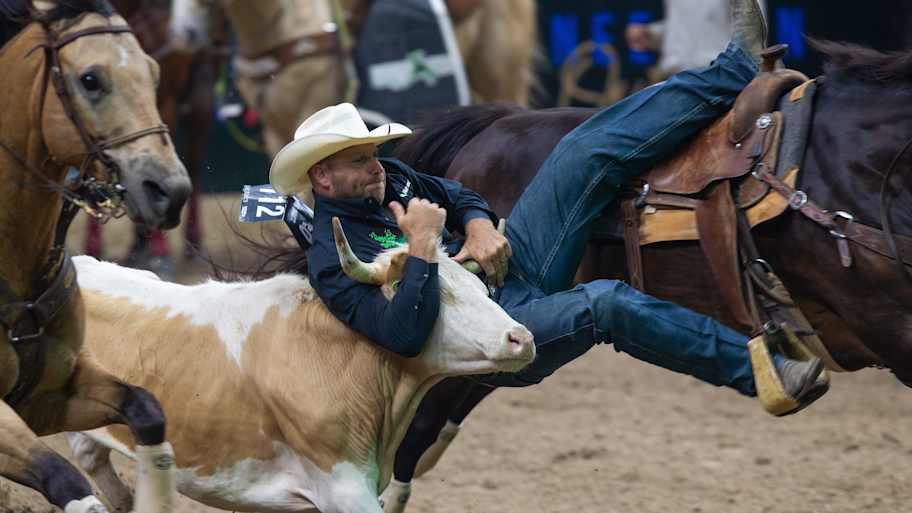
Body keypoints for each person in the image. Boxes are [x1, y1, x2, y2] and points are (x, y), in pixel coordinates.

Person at [268, 0, 828, 416]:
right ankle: (765, 372)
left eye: (373, 152)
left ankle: (733, 70)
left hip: (507, 273)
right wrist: (419, 250)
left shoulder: (390, 181)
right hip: (490, 337)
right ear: (322, 176)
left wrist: (478, 225)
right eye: (360, 159)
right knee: (606, 303)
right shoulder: (331, 258)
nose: (376, 165)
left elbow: (458, 195)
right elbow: (405, 337)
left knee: (581, 150)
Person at [626, 0, 767, 80]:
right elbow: (686, 28)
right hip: (674, 77)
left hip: (719, 79)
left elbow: (753, 34)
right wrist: (651, 34)